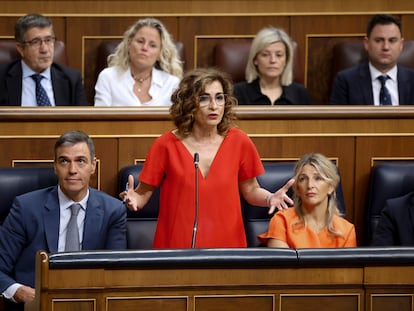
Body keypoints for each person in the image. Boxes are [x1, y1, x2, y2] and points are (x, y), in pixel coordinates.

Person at [121, 67, 294, 248]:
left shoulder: (239, 141)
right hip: (176, 248)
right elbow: (142, 195)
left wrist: (269, 198)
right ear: (188, 104)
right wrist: (132, 200)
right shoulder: (165, 145)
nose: (214, 106)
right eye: (204, 98)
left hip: (227, 246)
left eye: (219, 97)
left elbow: (251, 190)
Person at [0, 130, 126, 311]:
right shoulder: (26, 207)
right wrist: (17, 291)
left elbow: (117, 274)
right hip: (35, 304)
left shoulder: (113, 211)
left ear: (93, 166)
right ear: (55, 167)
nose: (73, 170)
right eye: (64, 161)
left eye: (81, 161)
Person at [259, 153, 356, 248]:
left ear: (331, 187)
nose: (310, 185)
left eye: (318, 178)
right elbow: (282, 262)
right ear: (297, 189)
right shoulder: (282, 220)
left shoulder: (346, 230)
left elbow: (348, 264)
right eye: (303, 179)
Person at [0, 13, 89, 106]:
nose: (44, 49)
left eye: (48, 40)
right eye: (35, 42)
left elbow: (82, 119)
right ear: (21, 49)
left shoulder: (72, 79)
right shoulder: (1, 78)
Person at [94, 17, 183, 106]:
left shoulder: (171, 83)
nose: (144, 48)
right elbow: (99, 118)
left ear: (160, 53)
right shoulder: (108, 77)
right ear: (129, 44)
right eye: (140, 41)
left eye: (152, 45)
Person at [330, 14, 414, 105]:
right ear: (366, 43)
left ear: (401, 45)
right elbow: (337, 119)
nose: (386, 47)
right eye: (379, 40)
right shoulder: (346, 81)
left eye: (392, 40)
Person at [233, 27, 311, 105]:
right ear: (255, 59)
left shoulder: (300, 93)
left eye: (279, 55)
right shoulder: (237, 92)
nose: (273, 60)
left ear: (286, 61)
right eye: (265, 55)